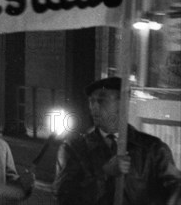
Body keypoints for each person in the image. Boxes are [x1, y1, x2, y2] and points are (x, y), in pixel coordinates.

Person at [53, 77, 181, 205]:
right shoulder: (74, 149)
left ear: (123, 104)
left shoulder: (152, 149)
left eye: (101, 101)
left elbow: (175, 189)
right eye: (91, 101)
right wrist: (104, 174)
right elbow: (64, 198)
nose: (94, 107)